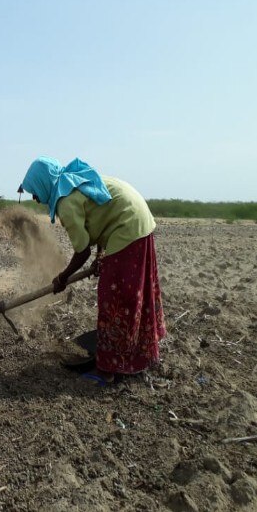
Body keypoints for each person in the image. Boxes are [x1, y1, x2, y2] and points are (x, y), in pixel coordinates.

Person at [20, 156, 166, 384]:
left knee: (114, 299)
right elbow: (102, 212)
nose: (35, 197)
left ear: (43, 182)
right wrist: (101, 254)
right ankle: (135, 356)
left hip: (127, 227)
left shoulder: (66, 203)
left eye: (34, 191)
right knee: (131, 295)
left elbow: (82, 251)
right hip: (138, 220)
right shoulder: (75, 181)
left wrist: (63, 277)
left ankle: (107, 371)